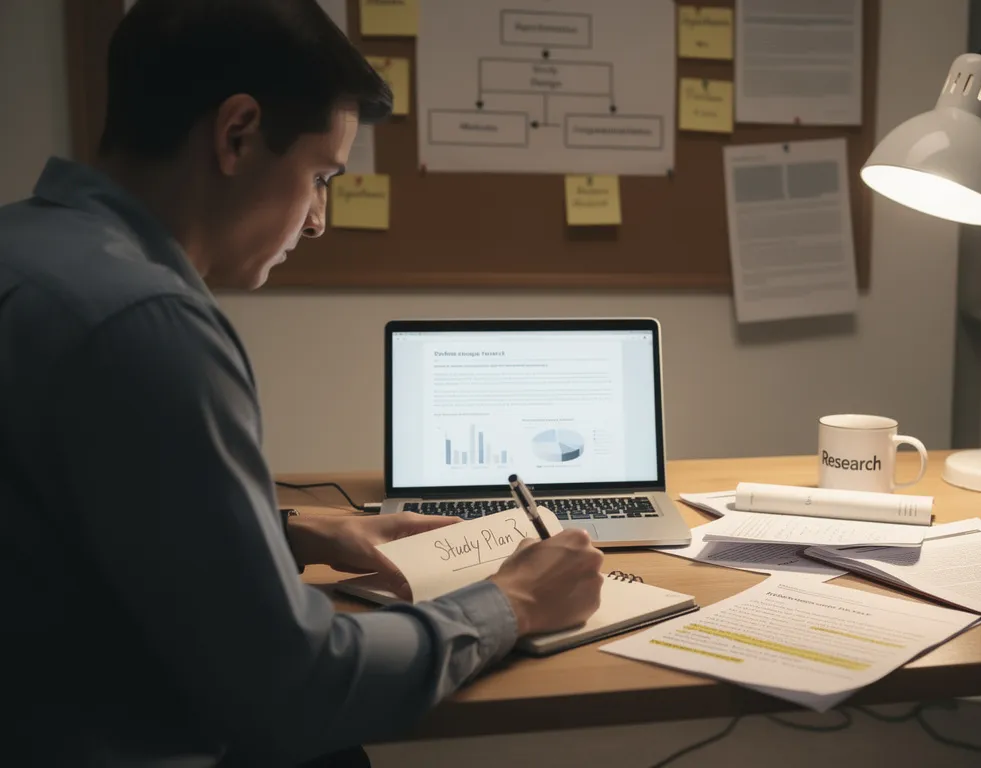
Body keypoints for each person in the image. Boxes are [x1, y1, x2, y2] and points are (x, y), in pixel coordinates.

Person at [0, 1, 605, 765]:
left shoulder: (24, 248)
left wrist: (299, 532)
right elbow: (293, 688)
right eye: (320, 176)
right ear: (238, 134)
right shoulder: (147, 323)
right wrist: (512, 603)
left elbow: (66, 528)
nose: (318, 221)